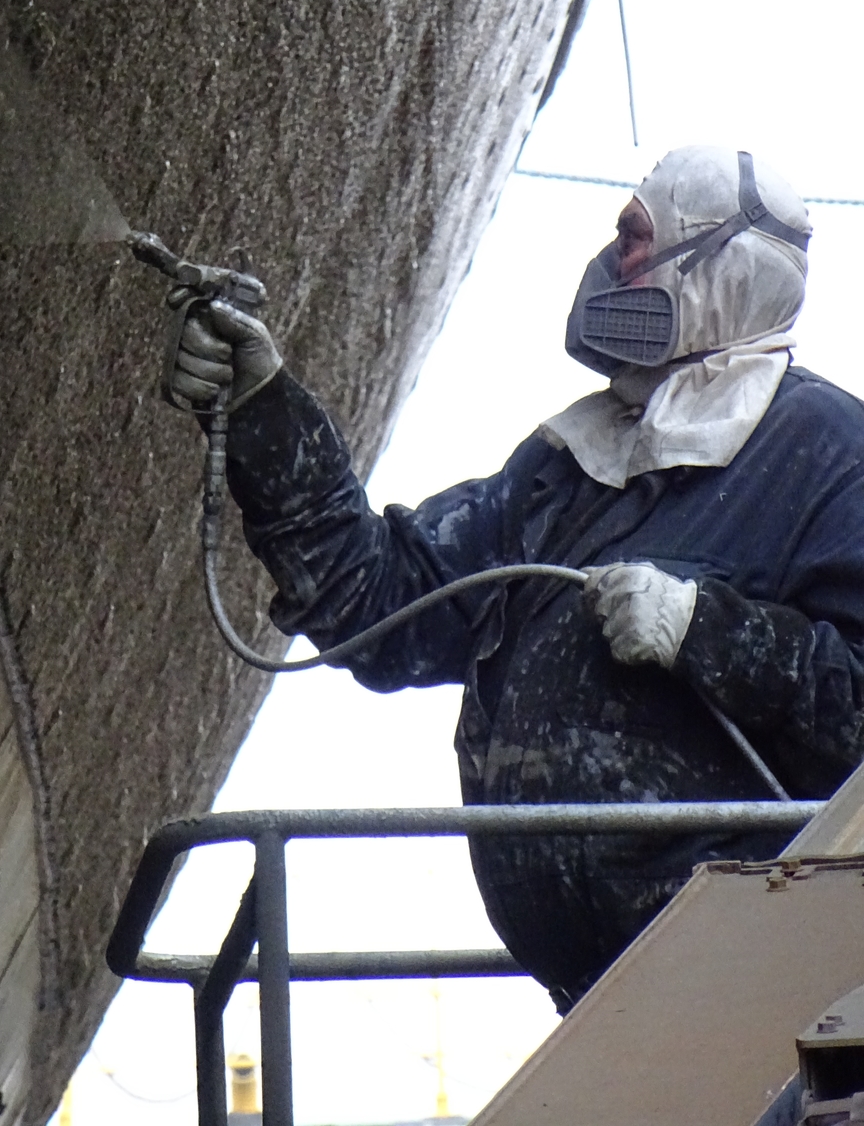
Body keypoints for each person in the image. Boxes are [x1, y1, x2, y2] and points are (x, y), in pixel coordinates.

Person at [169, 146, 864, 1010]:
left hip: (767, 988)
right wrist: (261, 407)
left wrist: (707, 630)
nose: (611, 265)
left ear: (719, 267)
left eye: (634, 238)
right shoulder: (567, 466)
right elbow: (378, 604)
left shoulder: (828, 454)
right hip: (602, 1000)